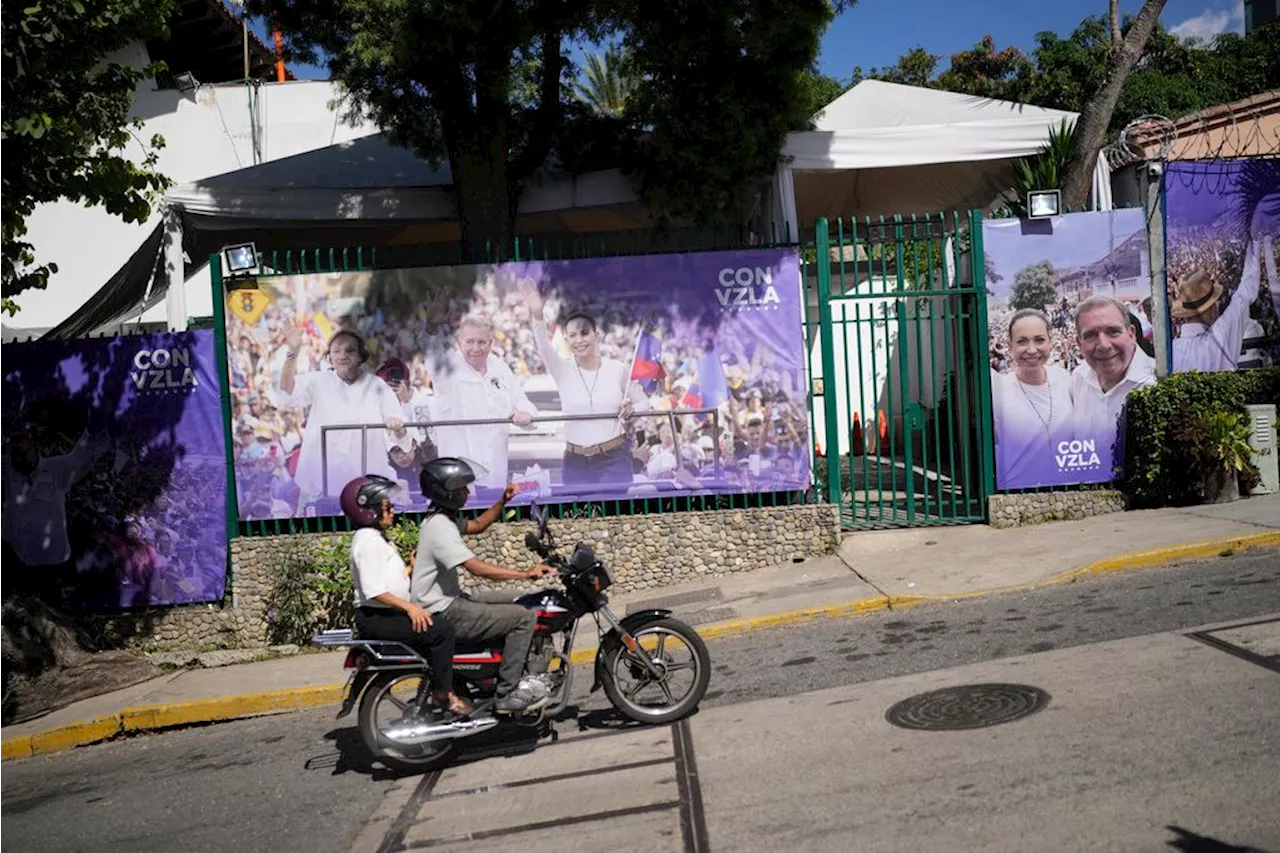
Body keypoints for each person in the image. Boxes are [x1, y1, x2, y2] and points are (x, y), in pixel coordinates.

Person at [412, 457, 554, 714]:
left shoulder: (441, 519)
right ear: (448, 492)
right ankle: (508, 693)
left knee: (520, 599)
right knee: (523, 618)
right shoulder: (440, 528)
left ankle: (509, 669)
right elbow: (475, 567)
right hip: (444, 610)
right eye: (462, 488)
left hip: (450, 601)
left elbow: (478, 525)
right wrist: (524, 573)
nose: (468, 492)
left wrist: (503, 500)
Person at [342, 474, 470, 718]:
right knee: (441, 631)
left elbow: (387, 578)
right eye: (386, 506)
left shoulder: (374, 538)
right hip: (377, 616)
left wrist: (409, 568)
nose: (393, 510)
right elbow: (374, 590)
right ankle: (443, 693)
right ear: (368, 510)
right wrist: (411, 608)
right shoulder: (367, 541)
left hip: (382, 614)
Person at [520, 280, 649, 490]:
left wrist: (632, 409)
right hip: (575, 462)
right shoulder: (562, 370)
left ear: (596, 336)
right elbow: (543, 346)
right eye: (572, 336)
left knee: (611, 518)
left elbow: (644, 403)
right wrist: (537, 313)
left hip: (614, 460)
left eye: (584, 333)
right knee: (577, 518)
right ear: (567, 340)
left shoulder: (617, 369)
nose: (579, 340)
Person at [274, 328, 409, 503]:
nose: (342, 355)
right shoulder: (318, 381)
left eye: (349, 350)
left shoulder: (377, 386)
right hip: (322, 486)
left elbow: (401, 434)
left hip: (367, 487)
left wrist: (397, 427)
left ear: (361, 355)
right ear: (329, 357)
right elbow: (287, 393)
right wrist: (292, 353)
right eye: (336, 351)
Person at [428, 314, 538, 497]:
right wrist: (431, 325)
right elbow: (432, 358)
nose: (476, 348)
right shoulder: (447, 368)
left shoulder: (500, 367)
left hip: (496, 473)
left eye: (481, 342)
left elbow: (521, 400)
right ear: (459, 342)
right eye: (469, 342)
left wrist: (525, 413)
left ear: (491, 342)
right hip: (459, 478)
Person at [1068, 295, 1156, 475]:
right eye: (1090, 335)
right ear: (1079, 343)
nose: (1103, 345)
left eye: (1113, 331)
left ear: (1131, 333)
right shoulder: (1078, 378)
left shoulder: (1158, 382)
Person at [990, 308, 1074, 487]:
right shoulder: (999, 390)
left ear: (1050, 342)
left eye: (1039, 340)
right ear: (1010, 345)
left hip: (1067, 485)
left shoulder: (1066, 380)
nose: (1032, 350)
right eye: (1022, 341)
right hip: (1017, 488)